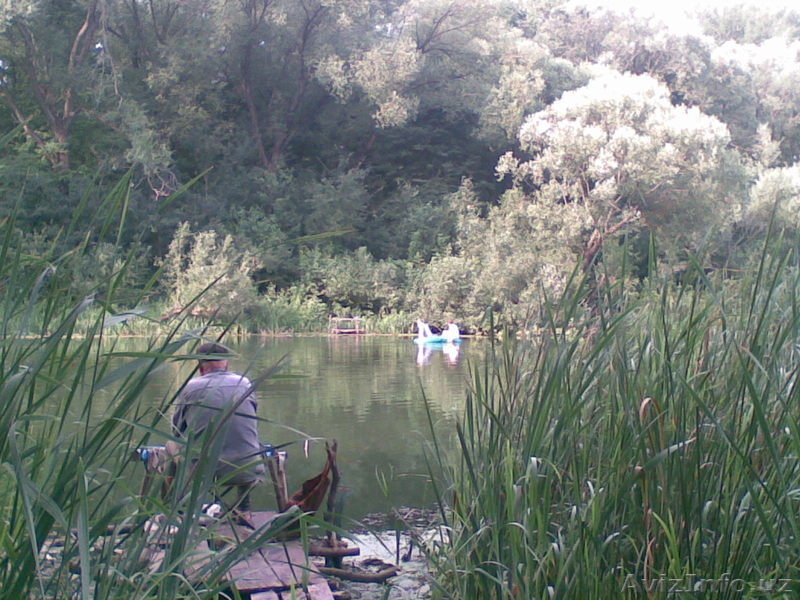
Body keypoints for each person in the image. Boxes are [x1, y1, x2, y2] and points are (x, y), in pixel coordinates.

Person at [172, 342, 266, 516]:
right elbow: (252, 417)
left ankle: (174, 508)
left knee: (171, 445)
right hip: (249, 468)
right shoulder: (244, 383)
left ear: (200, 368)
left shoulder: (190, 387)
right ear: (227, 365)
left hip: (204, 472)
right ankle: (244, 508)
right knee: (245, 439)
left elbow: (177, 430)